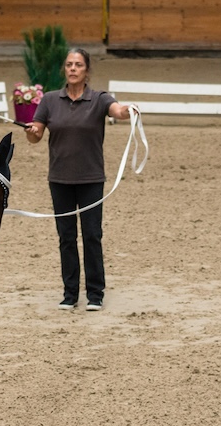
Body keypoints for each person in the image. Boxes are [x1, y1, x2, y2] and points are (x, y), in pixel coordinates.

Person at [24, 48, 139, 312]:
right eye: (69, 65)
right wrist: (33, 131)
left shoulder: (99, 99)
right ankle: (70, 293)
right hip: (59, 180)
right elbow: (35, 136)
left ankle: (95, 294)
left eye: (78, 65)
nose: (73, 69)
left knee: (91, 235)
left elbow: (117, 111)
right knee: (66, 237)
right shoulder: (50, 100)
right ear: (64, 69)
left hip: (91, 179)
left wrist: (128, 110)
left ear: (87, 70)